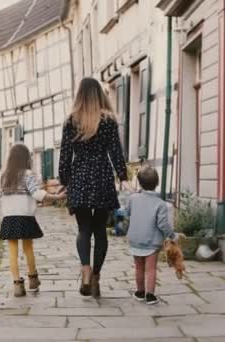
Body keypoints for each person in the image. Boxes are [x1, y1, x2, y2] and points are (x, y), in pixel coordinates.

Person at [58, 77, 129, 298]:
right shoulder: (108, 120)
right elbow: (116, 152)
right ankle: (96, 276)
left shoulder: (71, 121)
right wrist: (122, 175)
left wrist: (65, 181)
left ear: (79, 95)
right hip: (101, 177)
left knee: (83, 230)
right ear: (100, 94)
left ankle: (85, 271)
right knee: (100, 232)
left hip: (79, 177)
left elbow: (64, 156)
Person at [0, 144, 66, 297]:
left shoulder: (4, 176)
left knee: (12, 252)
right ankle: (33, 279)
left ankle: (17, 285)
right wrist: (56, 197)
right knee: (28, 248)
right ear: (25, 159)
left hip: (9, 218)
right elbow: (36, 194)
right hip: (24, 216)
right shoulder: (28, 174)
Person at [125, 166, 177, 305]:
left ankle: (140, 292)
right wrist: (172, 235)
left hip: (135, 239)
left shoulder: (132, 199)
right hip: (152, 241)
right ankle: (150, 295)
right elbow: (163, 224)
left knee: (138, 267)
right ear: (157, 183)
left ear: (140, 183)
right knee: (151, 268)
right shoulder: (160, 204)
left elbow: (127, 212)